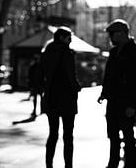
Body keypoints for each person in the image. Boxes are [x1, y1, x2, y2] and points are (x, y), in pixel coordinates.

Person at [98, 19, 136, 168]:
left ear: (121, 34)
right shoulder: (114, 52)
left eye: (112, 35)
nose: (110, 38)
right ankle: (113, 163)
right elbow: (108, 75)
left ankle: (130, 164)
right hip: (113, 101)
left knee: (128, 135)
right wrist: (104, 93)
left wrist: (133, 104)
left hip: (127, 102)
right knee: (113, 135)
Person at [38, 27, 81, 168]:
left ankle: (48, 164)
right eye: (69, 37)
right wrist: (76, 86)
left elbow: (41, 75)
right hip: (66, 98)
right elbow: (70, 75)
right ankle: (68, 165)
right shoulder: (66, 53)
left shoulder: (46, 52)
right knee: (68, 135)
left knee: (53, 133)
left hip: (51, 97)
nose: (71, 40)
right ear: (62, 38)